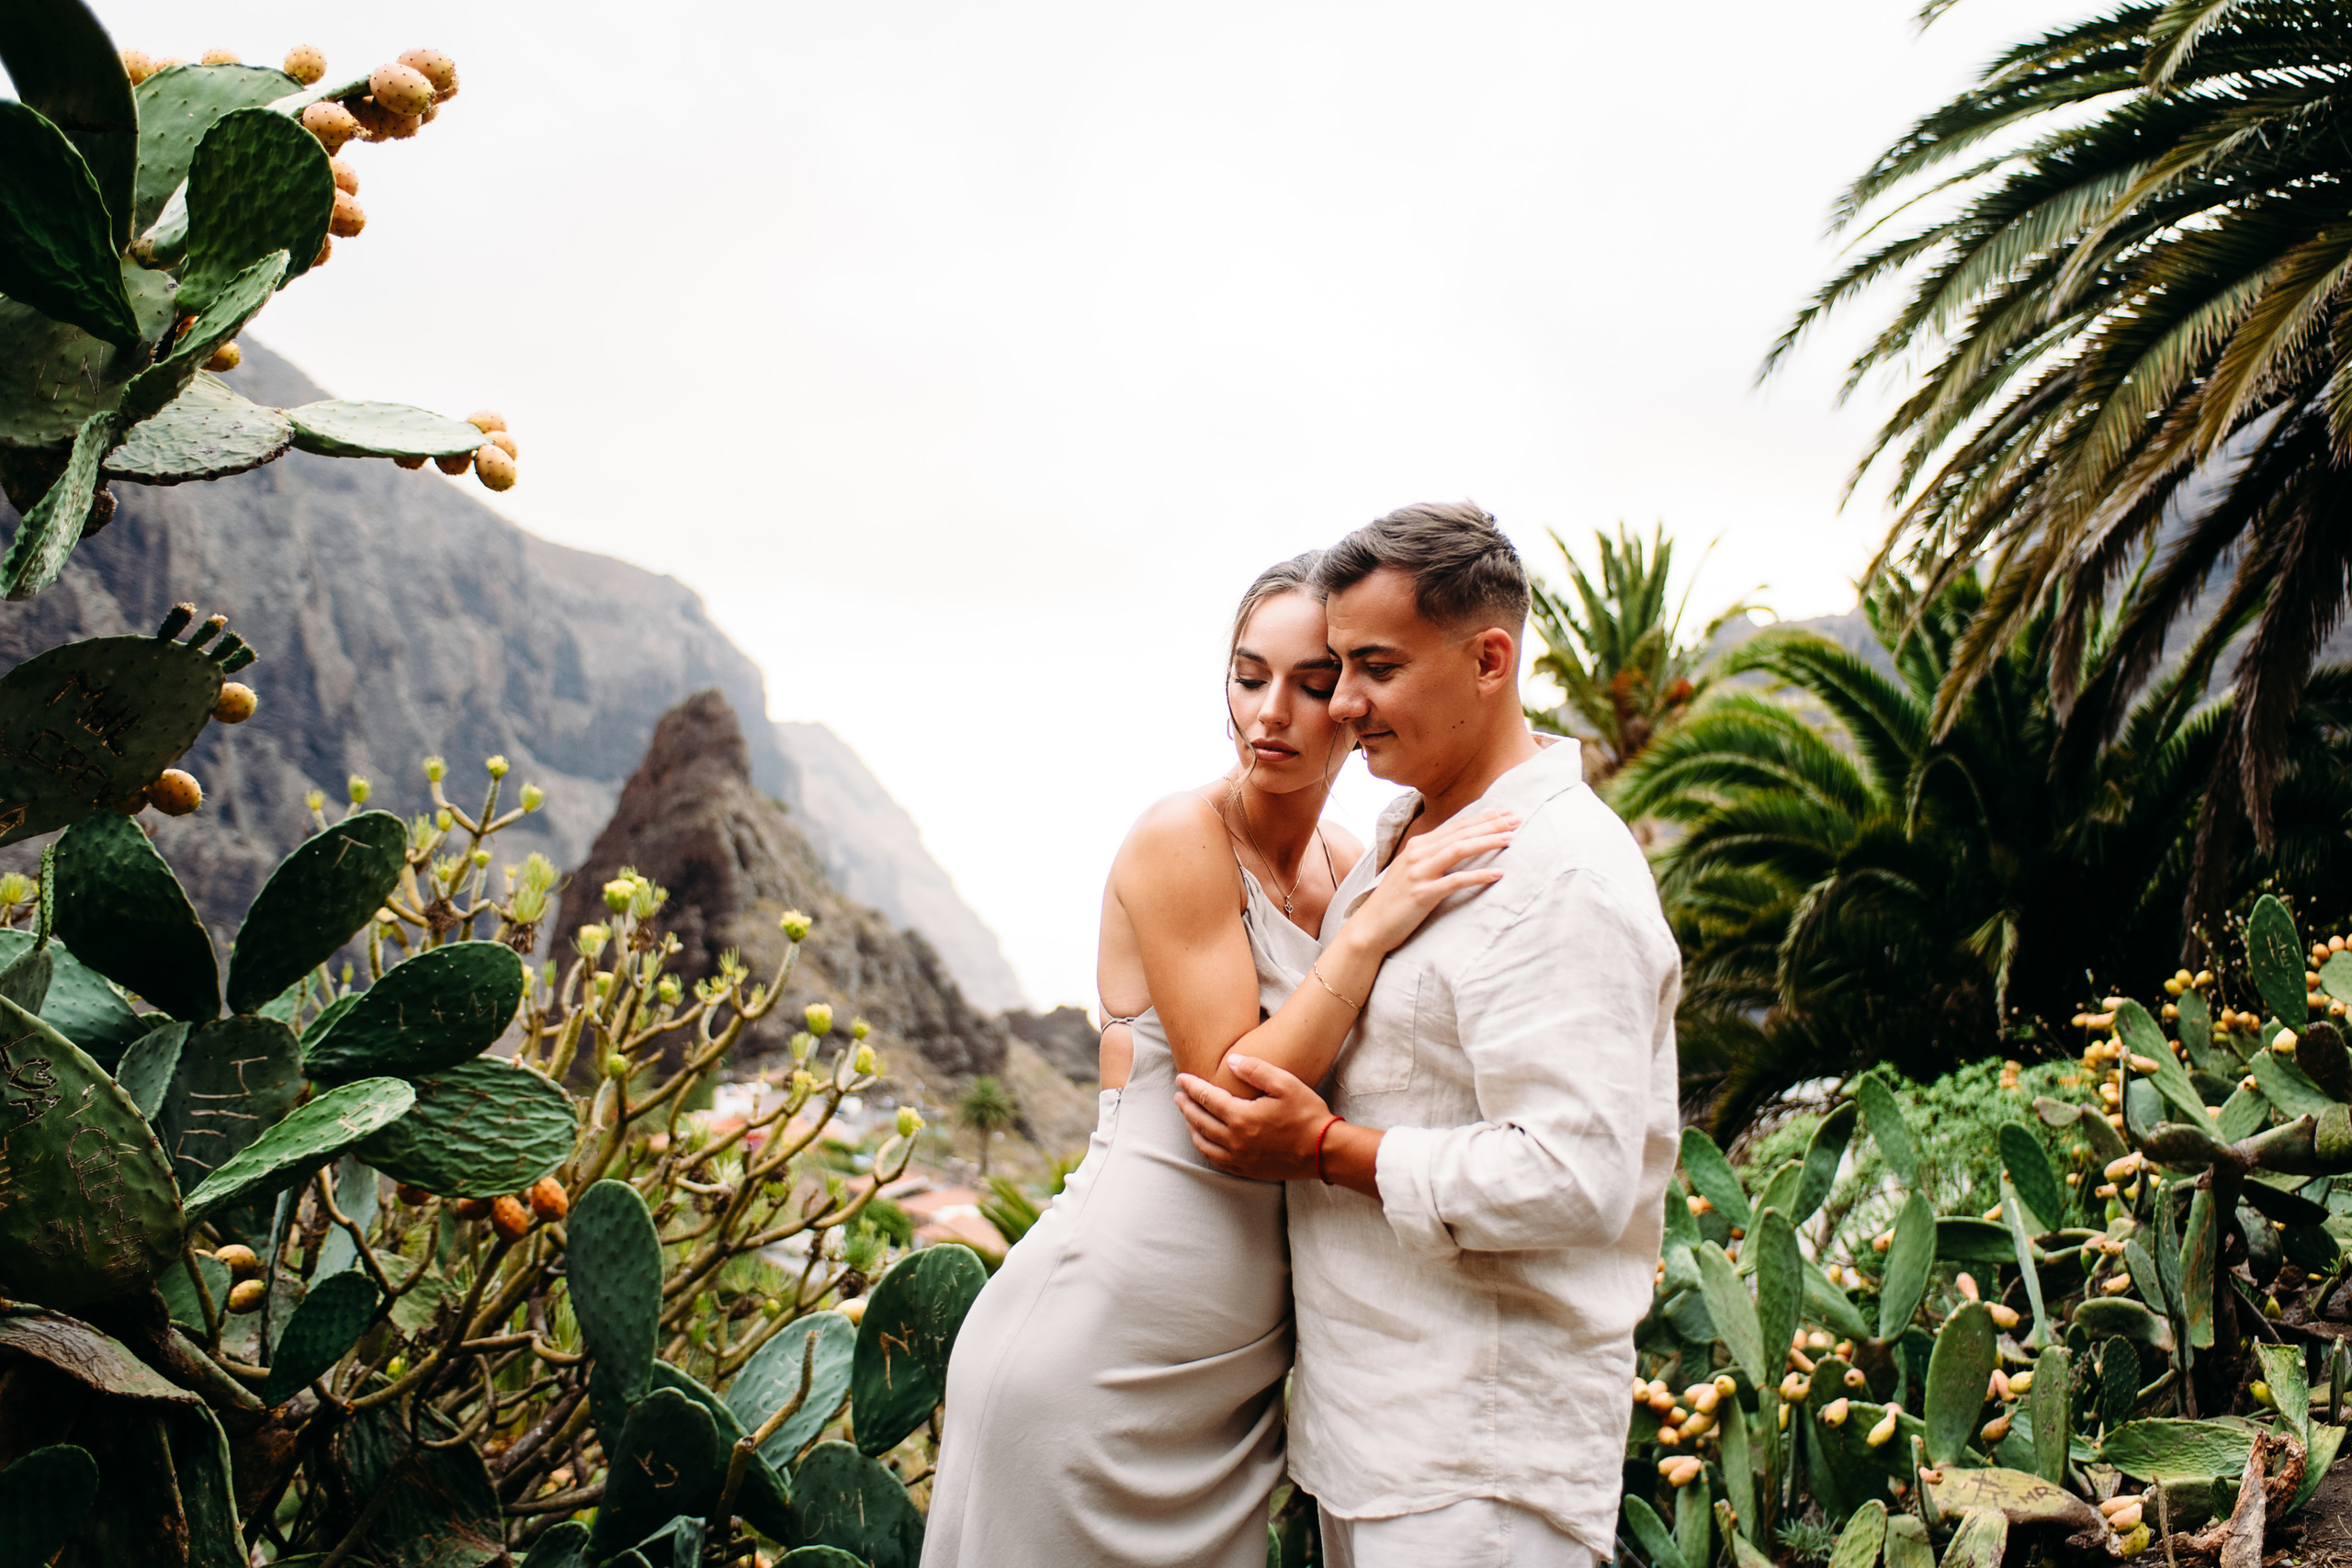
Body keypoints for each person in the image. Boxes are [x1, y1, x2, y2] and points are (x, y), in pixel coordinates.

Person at [922, 550, 1515, 1568]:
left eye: (1314, 684)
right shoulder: (1179, 838)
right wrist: (1368, 937)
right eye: (1248, 677)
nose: (1270, 712)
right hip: (1094, 1350)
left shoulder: (1352, 866)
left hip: (1232, 1389)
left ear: (1359, 701)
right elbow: (1230, 1091)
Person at [1176, 502, 1681, 1568]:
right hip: (1369, 1442)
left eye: (1374, 668)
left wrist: (1320, 1150)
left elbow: (1574, 1174)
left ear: (1489, 658)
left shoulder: (1564, 875)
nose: (1343, 703)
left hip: (1480, 1460)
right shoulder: (1401, 839)